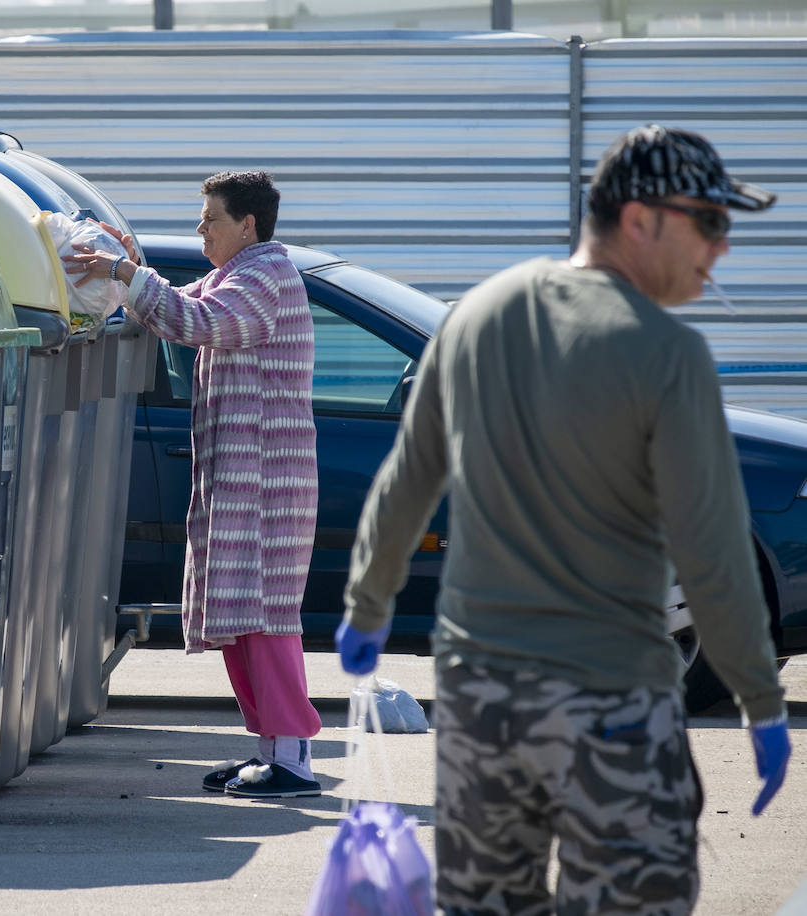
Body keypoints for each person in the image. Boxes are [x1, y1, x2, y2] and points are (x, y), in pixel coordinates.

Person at [335, 125, 792, 914]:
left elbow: (406, 485)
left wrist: (367, 609)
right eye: (710, 223)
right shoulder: (664, 352)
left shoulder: (474, 319)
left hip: (482, 707)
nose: (720, 249)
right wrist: (759, 699)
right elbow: (712, 551)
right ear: (642, 218)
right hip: (612, 706)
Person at [65, 170, 324, 798]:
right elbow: (177, 301)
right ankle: (270, 752)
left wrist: (127, 275)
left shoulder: (267, 277)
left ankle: (292, 759)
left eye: (210, 219)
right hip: (242, 479)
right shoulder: (240, 273)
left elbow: (197, 320)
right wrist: (126, 264)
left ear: (248, 225)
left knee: (266, 617)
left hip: (266, 483)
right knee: (239, 614)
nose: (201, 230)